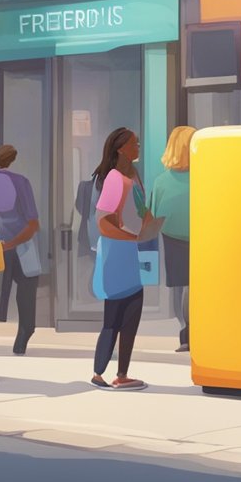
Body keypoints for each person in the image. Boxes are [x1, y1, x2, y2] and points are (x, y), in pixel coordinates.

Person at [89, 128, 152, 391]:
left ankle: (121, 373)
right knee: (114, 317)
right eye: (133, 143)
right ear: (120, 149)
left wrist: (151, 226)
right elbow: (103, 222)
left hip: (132, 254)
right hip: (118, 255)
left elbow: (139, 211)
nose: (138, 146)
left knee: (131, 316)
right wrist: (134, 238)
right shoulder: (115, 179)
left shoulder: (133, 176)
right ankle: (100, 373)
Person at [0, 144, 41, 355]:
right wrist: (13, 242)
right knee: (27, 288)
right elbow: (33, 222)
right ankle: (23, 335)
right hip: (20, 243)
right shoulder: (21, 182)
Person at [148, 126, 195, 353]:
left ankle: (185, 334)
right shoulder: (207, 177)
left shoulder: (160, 182)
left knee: (179, 287)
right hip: (203, 238)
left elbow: (155, 214)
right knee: (196, 287)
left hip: (173, 239)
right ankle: (196, 333)